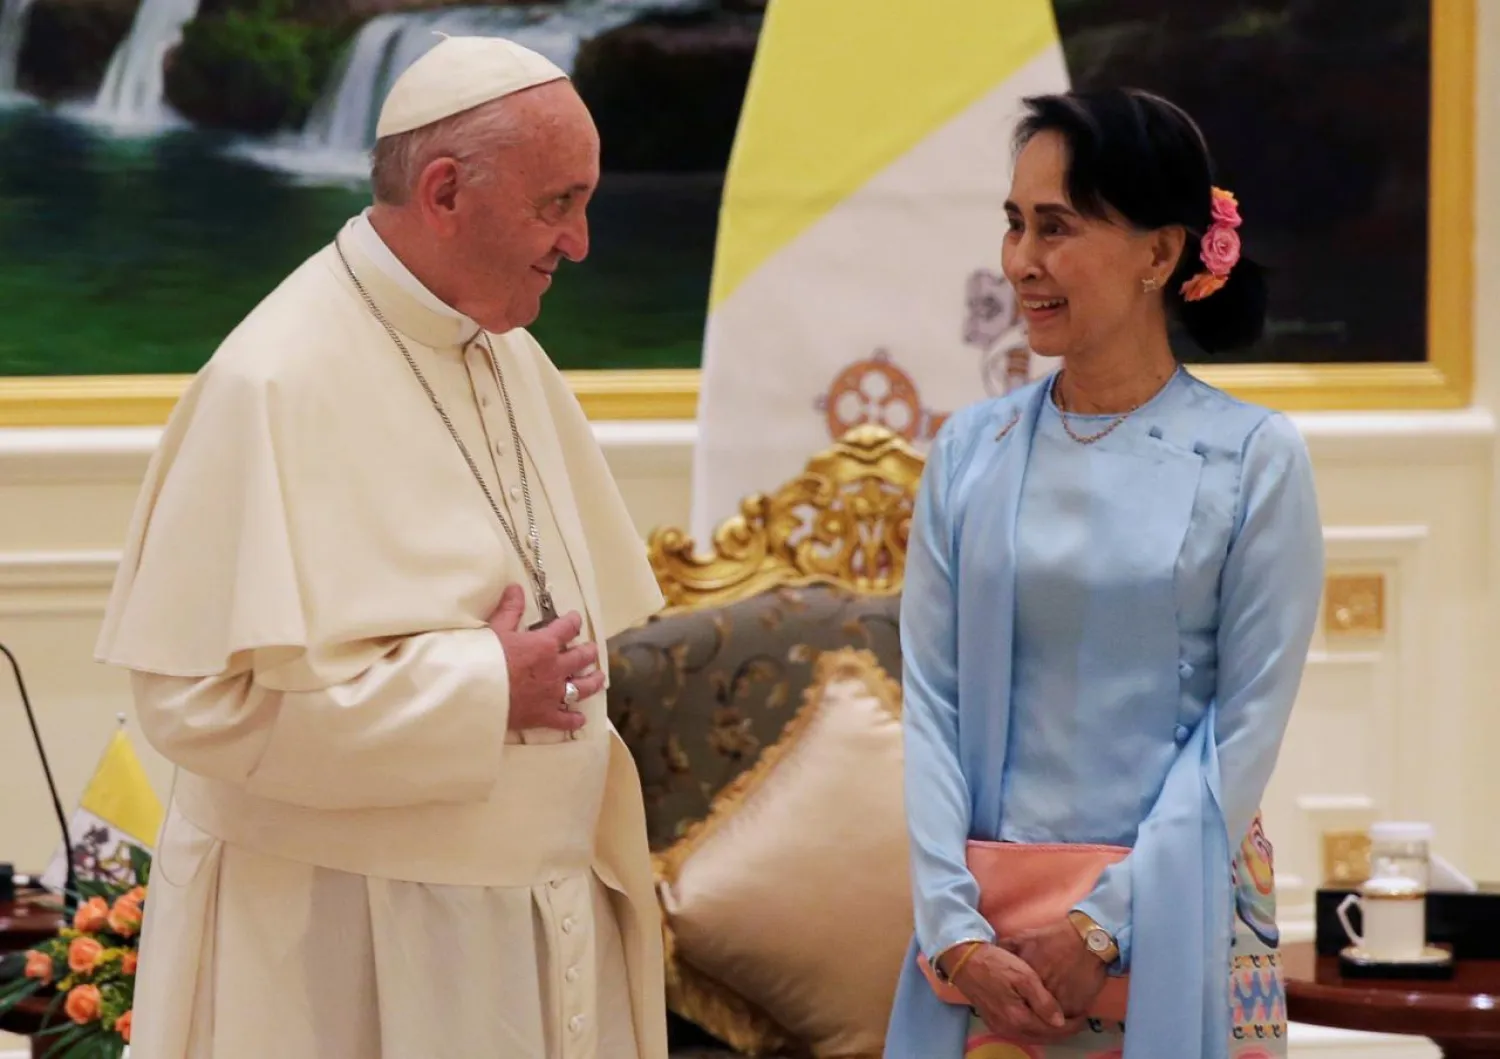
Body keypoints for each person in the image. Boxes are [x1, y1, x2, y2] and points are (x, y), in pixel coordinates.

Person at [93, 35, 668, 1059]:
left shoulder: (505, 351)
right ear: (444, 192)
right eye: (556, 204)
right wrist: (485, 685)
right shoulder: (269, 383)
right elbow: (192, 703)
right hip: (348, 944)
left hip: (528, 918)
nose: (579, 242)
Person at [884, 88, 1324, 1059]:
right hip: (990, 953)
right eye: (1013, 225)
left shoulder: (1254, 459)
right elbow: (930, 706)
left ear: (1161, 254)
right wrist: (953, 933)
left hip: (1182, 917)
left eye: (1056, 227)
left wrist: (1103, 925)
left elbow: (1242, 730)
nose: (1021, 262)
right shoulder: (969, 452)